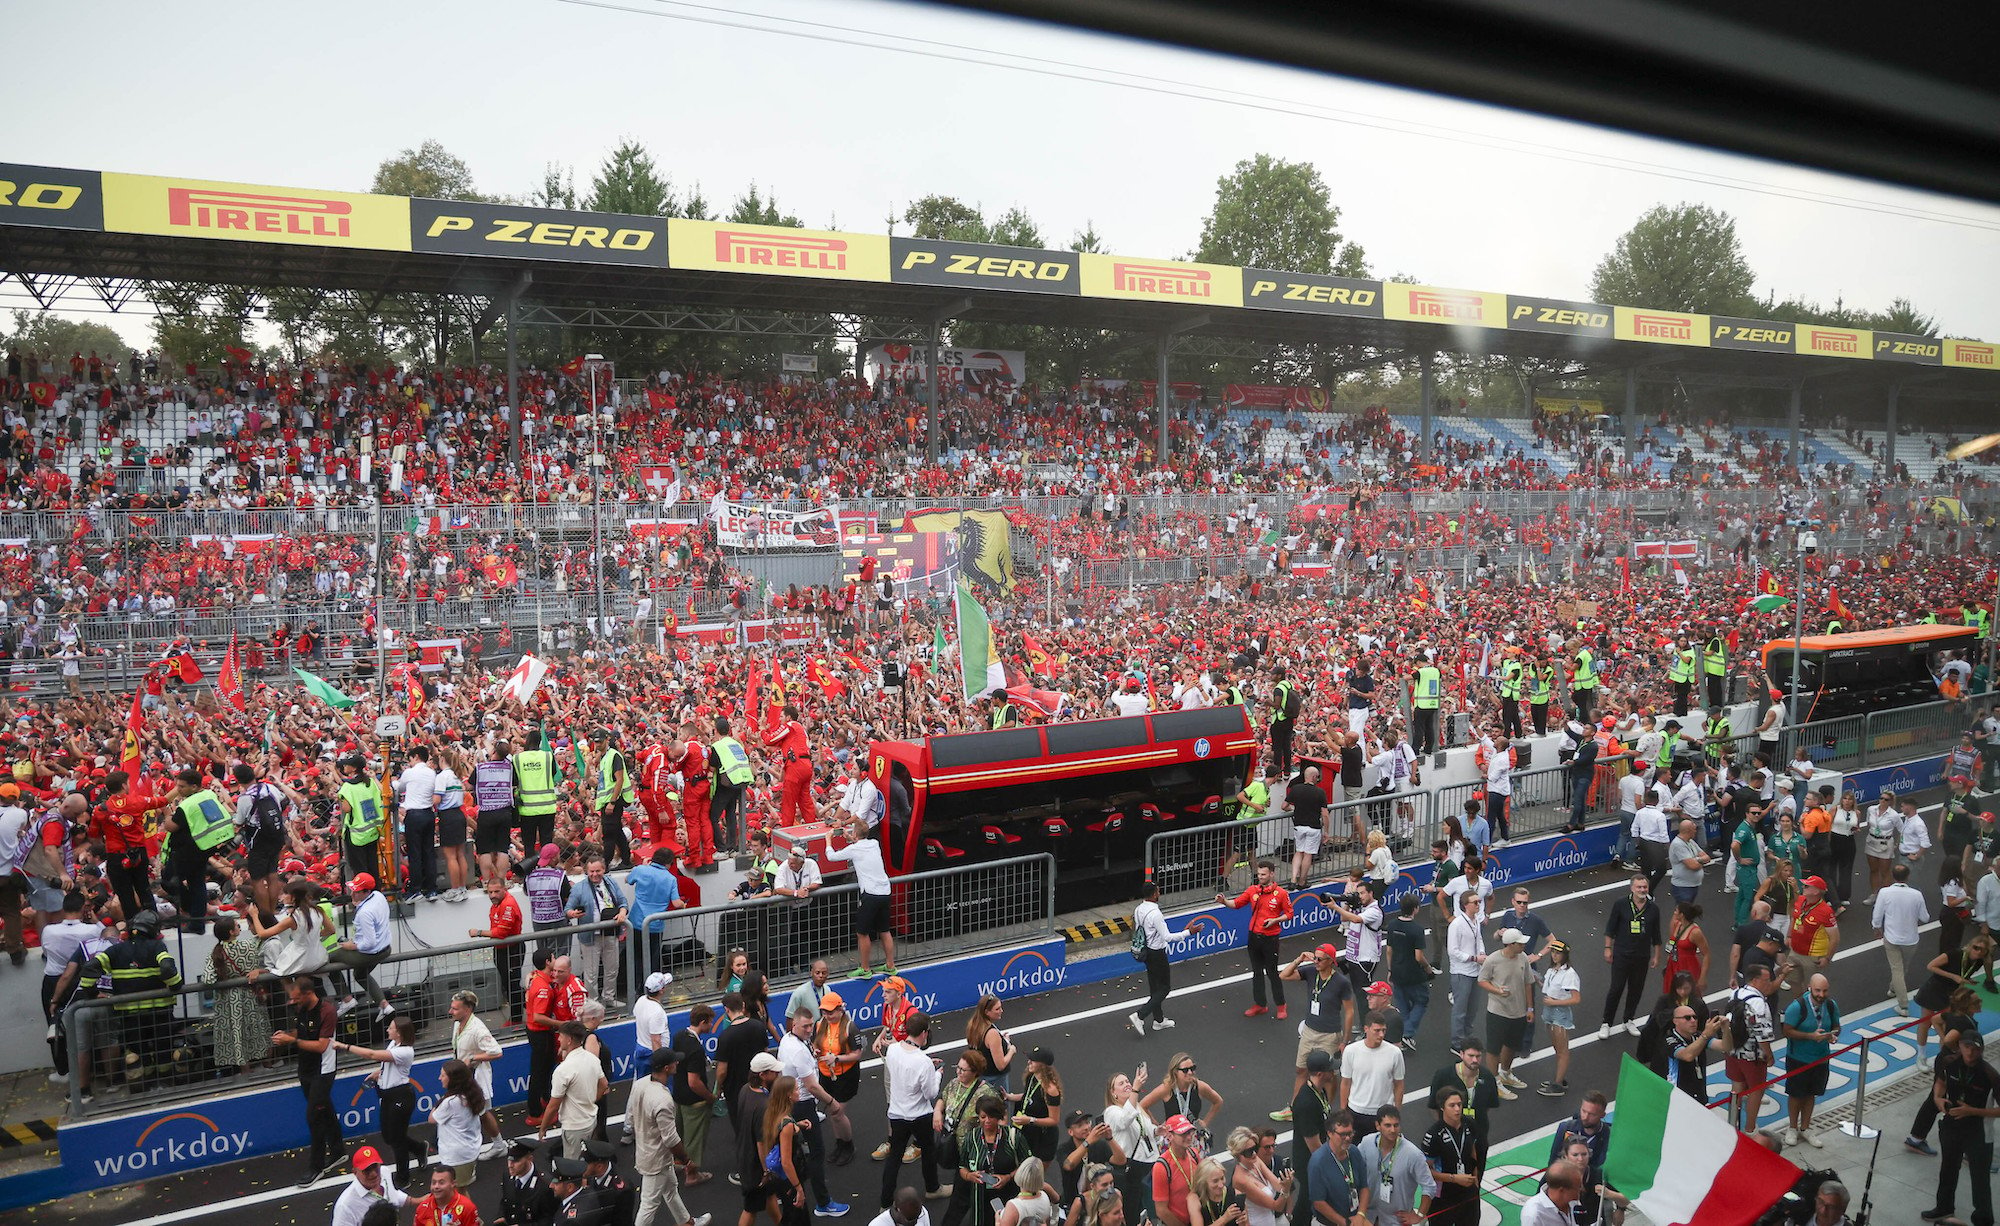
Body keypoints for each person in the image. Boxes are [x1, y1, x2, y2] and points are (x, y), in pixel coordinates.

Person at [270, 973, 346, 1188]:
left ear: (309, 993)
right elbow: (301, 1032)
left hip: (323, 1070)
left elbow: (321, 1045)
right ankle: (338, 1151)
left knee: (314, 1117)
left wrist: (292, 1040)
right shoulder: (300, 1007)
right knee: (325, 1110)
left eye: (296, 998)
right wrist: (285, 1036)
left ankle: (317, 1167)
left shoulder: (327, 1011)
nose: (292, 1002)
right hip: (305, 1069)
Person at [340, 1016, 427, 1188]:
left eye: (391, 1028)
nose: (387, 1030)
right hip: (387, 1094)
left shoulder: (405, 1051)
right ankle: (418, 1148)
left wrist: (345, 1046)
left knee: (397, 1139)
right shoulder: (393, 1044)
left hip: (400, 1096)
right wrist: (377, 1073)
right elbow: (387, 1063)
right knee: (389, 1136)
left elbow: (372, 1054)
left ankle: (403, 1177)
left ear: (399, 1033)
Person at [628, 1047, 707, 1226]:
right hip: (656, 1160)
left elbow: (631, 1117)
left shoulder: (640, 1084)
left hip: (646, 1152)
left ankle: (687, 1222)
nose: (677, 1063)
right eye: (674, 1061)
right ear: (666, 1068)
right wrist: (687, 1160)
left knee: (671, 1190)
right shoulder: (663, 1100)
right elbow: (671, 1139)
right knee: (649, 1204)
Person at [1928, 1033, 2000, 1226]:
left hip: (1979, 1133)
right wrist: (1938, 1098)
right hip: (1951, 1127)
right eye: (1967, 1046)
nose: (1971, 1051)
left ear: (1982, 1050)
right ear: (1960, 1046)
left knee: (1980, 1179)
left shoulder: (1990, 1075)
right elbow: (1940, 1082)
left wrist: (1972, 1111)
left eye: (1976, 1048)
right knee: (1948, 1170)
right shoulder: (1949, 1063)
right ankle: (1943, 1208)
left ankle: (1983, 1220)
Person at [1277, 944, 1354, 1119]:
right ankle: (1294, 1108)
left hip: (1330, 1034)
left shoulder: (1341, 982)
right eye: (1315, 958)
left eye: (1320, 959)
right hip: (1309, 1030)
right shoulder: (1311, 972)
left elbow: (1349, 1012)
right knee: (1301, 1070)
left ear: (1331, 962)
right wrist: (1299, 959)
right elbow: (1284, 975)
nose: (1316, 962)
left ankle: (1325, 1107)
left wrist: (1345, 1041)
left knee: (1328, 1074)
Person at [882, 1010, 944, 1206]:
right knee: (928, 1150)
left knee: (894, 1158)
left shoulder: (893, 1050)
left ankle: (885, 1201)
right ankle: (933, 1188)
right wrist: (937, 1074)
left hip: (897, 1113)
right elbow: (931, 1093)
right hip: (919, 1115)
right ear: (924, 1033)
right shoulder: (923, 1062)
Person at [1218, 861, 1292, 1017]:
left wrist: (1274, 920)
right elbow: (1237, 904)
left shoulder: (1281, 894)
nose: (1260, 877)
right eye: (1258, 874)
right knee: (1256, 972)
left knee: (1272, 972)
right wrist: (1224, 901)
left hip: (1270, 938)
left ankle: (1281, 1005)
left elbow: (1289, 914)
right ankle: (1260, 1004)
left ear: (1272, 874)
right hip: (1253, 937)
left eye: (1263, 874)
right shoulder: (1253, 890)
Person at [827, 816, 897, 978]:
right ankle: (890, 965)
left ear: (856, 834)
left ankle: (865, 969)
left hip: (870, 895)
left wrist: (828, 840)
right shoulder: (874, 844)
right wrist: (851, 837)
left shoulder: (854, 849)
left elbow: (831, 857)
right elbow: (860, 843)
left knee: (862, 933)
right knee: (884, 930)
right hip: (885, 892)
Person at [1780, 974, 1840, 1147]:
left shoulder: (1830, 1005)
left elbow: (1837, 1026)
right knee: (1796, 1094)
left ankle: (1805, 1128)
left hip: (1820, 1058)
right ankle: (1792, 1127)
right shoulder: (1797, 1007)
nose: (1821, 994)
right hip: (1798, 1058)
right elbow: (1787, 1031)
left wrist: (1832, 1035)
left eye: (1825, 990)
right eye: (1817, 990)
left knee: (1811, 1093)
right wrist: (1809, 1036)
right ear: (1809, 988)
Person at [1598, 875, 1661, 1038]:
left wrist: (1656, 955)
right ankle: (1606, 1022)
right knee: (1616, 988)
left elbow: (1656, 934)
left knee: (1636, 989)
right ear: (1632, 888)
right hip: (1621, 955)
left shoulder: (1653, 908)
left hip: (1642, 956)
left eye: (1644, 887)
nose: (1642, 890)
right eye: (1639, 887)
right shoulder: (1620, 904)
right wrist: (1607, 948)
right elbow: (1610, 928)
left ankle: (1628, 1019)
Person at [447, 990, 506, 1159]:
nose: (451, 1012)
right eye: (451, 1008)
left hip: (477, 1077)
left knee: (481, 1113)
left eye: (455, 1009)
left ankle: (497, 1145)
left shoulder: (478, 1029)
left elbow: (497, 1052)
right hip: (463, 1077)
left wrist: (473, 1057)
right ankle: (496, 1145)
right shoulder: (458, 1024)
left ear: (468, 1009)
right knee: (475, 1113)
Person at [1130, 881, 1192, 1036]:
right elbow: (1168, 937)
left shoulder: (1138, 909)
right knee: (1164, 988)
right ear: (1154, 894)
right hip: (1157, 953)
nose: (1160, 893)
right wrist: (1188, 932)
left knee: (1155, 988)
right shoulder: (1156, 914)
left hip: (1146, 952)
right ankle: (1140, 1015)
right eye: (1158, 891)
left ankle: (1158, 1020)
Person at [1354, 1105, 1434, 1226]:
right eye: (1387, 1125)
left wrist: (1419, 1215)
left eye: (1396, 1125)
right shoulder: (1367, 1143)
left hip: (1395, 1220)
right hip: (1368, 1216)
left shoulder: (1413, 1154)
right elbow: (1355, 1169)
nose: (1392, 1130)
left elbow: (1429, 1186)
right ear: (1377, 1125)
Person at [565, 855, 627, 1009]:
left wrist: (622, 912)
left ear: (604, 870)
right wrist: (572, 914)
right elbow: (568, 909)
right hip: (590, 936)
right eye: (591, 871)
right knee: (591, 974)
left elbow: (622, 901)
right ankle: (593, 1003)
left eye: (597, 871)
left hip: (610, 933)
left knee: (612, 968)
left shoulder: (611, 882)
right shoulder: (579, 887)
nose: (594, 874)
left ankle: (609, 998)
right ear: (586, 871)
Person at [331, 871, 395, 1022]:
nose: (353, 893)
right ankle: (385, 1006)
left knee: (329, 959)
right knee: (360, 975)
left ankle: (347, 1000)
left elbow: (369, 943)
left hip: (370, 952)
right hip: (385, 948)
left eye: (357, 891)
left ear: (367, 892)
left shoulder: (365, 913)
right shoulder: (378, 896)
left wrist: (351, 946)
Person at [543, 1021, 610, 1160]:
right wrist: (591, 1100)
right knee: (588, 1159)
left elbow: (553, 1105)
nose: (559, 1039)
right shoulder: (592, 1059)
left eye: (561, 1036)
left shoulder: (563, 1070)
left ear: (569, 1040)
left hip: (574, 1126)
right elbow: (604, 1084)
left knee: (574, 1168)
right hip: (591, 1119)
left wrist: (543, 1128)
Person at [1476, 932, 1531, 1097]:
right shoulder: (1493, 960)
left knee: (1512, 1045)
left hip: (1519, 1011)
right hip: (1497, 1012)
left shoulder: (1523, 958)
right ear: (1510, 944)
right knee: (1493, 1048)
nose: (1523, 946)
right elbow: (1482, 980)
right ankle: (1494, 1081)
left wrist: (1530, 1009)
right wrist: (1497, 991)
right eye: (1520, 943)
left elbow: (1528, 983)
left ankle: (1506, 1073)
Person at [1726, 963, 1778, 1134]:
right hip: (1752, 1055)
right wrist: (1769, 1055)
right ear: (1755, 980)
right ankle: (1750, 1128)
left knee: (1737, 1088)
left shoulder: (1736, 993)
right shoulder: (1758, 1002)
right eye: (1766, 980)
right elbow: (1762, 1034)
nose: (1769, 983)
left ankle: (1732, 1125)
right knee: (1757, 1090)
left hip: (1733, 1051)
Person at [1421, 1088, 1481, 1226]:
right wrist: (1454, 1178)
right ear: (1442, 1107)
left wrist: (1475, 1176)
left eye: (1459, 1104)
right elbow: (1425, 1170)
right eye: (1452, 1105)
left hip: (1468, 1191)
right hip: (1443, 1197)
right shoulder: (1433, 1135)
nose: (1457, 1109)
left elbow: (1472, 1148)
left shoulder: (1469, 1124)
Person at [471, 877, 527, 1025]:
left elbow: (501, 933)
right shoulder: (498, 903)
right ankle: (533, 1008)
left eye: (496, 891)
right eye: (490, 892)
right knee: (508, 985)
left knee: (513, 985)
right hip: (501, 949)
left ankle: (517, 1020)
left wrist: (478, 932)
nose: (493, 895)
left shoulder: (508, 904)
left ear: (505, 889)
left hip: (512, 949)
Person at [430, 1059, 491, 1188]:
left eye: (443, 1075)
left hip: (457, 1157)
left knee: (456, 1195)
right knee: (459, 1192)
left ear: (453, 1079)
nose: (439, 1078)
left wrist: (440, 1101)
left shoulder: (450, 1102)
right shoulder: (472, 1094)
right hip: (469, 1151)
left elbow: (431, 1118)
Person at [1142, 1051, 1224, 1146]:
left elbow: (1218, 1101)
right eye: (1185, 1070)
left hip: (1193, 1137)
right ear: (1175, 1072)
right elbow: (1142, 1106)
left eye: (1192, 1068)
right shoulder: (1166, 1089)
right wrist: (1156, 1125)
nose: (1190, 1072)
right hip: (1173, 1138)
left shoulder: (1199, 1086)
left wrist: (1205, 1122)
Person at [1382, 895, 1431, 1051]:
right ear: (1415, 909)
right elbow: (1419, 956)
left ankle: (1402, 1035)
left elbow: (1389, 951)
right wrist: (1428, 968)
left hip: (1396, 970)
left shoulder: (1392, 925)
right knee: (1421, 1002)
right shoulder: (1417, 929)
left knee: (1402, 1005)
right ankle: (1407, 1033)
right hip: (1414, 973)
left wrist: (1390, 969)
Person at [1536, 941, 1581, 1098]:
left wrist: (1554, 1002)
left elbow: (1576, 999)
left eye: (1558, 953)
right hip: (1549, 1009)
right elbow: (1549, 987)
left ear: (1565, 955)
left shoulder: (1569, 974)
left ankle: (1558, 1084)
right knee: (1557, 1048)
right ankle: (1558, 1079)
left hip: (1559, 1012)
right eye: (1553, 952)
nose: (1555, 955)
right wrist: (1538, 981)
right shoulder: (1552, 970)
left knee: (1562, 1051)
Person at [1306, 1110, 1366, 1226]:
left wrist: (1361, 1215)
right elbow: (1318, 1202)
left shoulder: (1354, 1152)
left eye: (1350, 1133)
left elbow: (1364, 1187)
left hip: (1354, 1219)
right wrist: (1345, 1223)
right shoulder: (1318, 1162)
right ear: (1330, 1133)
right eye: (1343, 1134)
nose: (1348, 1138)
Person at [1226, 1127, 1292, 1226]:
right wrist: (1286, 1190)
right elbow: (1277, 1206)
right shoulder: (1241, 1180)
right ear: (1238, 1154)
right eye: (1249, 1152)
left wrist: (1285, 1183)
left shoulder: (1255, 1160)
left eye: (1255, 1148)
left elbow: (1279, 1186)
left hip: (1270, 1220)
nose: (1253, 1154)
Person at [1663, 1000, 1727, 1101]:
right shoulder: (1669, 1039)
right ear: (1675, 1021)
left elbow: (1725, 1047)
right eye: (1687, 1018)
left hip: (1699, 1091)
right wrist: (1705, 1035)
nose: (1693, 1020)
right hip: (1678, 1094)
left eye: (1695, 1017)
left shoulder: (1698, 1036)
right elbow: (1687, 1055)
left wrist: (1726, 1029)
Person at [1446, 893, 1486, 1052]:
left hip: (1475, 971)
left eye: (1479, 901)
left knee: (1473, 1008)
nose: (1478, 904)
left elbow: (1479, 939)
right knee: (1460, 1010)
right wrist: (1475, 958)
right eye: (1475, 902)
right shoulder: (1456, 925)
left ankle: (1467, 1038)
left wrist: (1481, 953)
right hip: (1461, 972)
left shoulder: (1475, 921)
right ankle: (1457, 1043)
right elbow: (1453, 951)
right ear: (1465, 905)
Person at [332, 1145, 411, 1226]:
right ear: (355, 1172)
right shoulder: (345, 1206)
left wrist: (418, 1201)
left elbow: (392, 1194)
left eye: (375, 1167)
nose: (373, 1174)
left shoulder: (384, 1172)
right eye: (367, 1170)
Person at [494, 1138, 557, 1226]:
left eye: (516, 1161)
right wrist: (501, 1216)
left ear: (529, 1159)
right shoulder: (507, 1176)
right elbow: (506, 1200)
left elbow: (549, 1219)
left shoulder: (545, 1185)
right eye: (509, 1160)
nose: (510, 1165)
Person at [1521, 1160, 1584, 1226]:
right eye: (1578, 1187)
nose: (1582, 1190)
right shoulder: (1534, 1215)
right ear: (1562, 1190)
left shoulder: (1573, 1201)